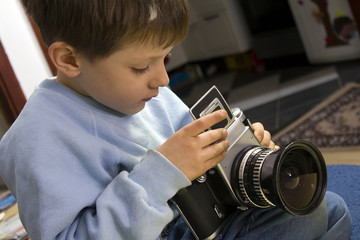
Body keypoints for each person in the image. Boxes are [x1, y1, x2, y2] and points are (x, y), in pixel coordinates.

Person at [0, 0, 352, 239]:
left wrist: (235, 153)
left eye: (165, 58)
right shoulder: (36, 140)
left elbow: (201, 166)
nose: (163, 80)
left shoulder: (147, 94)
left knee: (324, 206)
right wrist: (162, 174)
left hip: (203, 224)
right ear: (70, 59)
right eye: (141, 67)